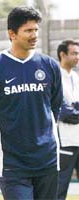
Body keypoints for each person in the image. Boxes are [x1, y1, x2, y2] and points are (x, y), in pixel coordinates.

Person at [0, 6, 63, 200]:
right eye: (28, 31)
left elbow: (55, 107)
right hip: (12, 164)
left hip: (47, 159)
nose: (34, 35)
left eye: (36, 30)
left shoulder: (49, 66)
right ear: (12, 34)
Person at [57, 40, 79, 200]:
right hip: (65, 141)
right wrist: (72, 108)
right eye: (74, 53)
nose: (78, 57)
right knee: (60, 188)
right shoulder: (55, 77)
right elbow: (66, 114)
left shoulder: (76, 77)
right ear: (62, 55)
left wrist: (73, 106)